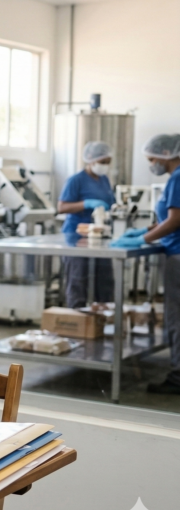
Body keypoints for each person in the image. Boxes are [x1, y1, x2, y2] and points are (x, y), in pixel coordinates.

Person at [113, 134, 180, 395]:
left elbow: (175, 220)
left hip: (177, 254)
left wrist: (142, 238)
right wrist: (150, 229)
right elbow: (168, 219)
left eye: (152, 159)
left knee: (176, 316)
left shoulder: (177, 178)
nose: (152, 163)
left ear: (166, 153)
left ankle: (177, 376)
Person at [58, 140, 116, 308]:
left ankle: (103, 318)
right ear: (91, 160)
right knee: (78, 279)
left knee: (104, 280)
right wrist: (86, 203)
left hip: (99, 238)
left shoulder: (104, 180)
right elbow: (62, 207)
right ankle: (76, 320)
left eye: (107, 162)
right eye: (102, 162)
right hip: (77, 237)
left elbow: (109, 203)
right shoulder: (76, 180)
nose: (105, 166)